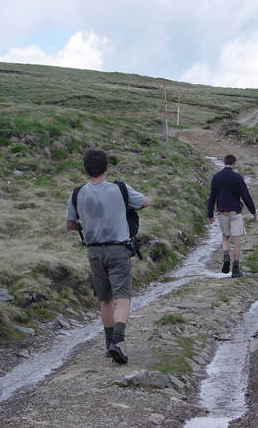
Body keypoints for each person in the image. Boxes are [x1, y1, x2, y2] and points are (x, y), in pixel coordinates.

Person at [65, 148, 150, 364]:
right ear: (107, 167)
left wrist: (89, 224)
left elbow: (70, 225)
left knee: (105, 299)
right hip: (118, 249)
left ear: (86, 169)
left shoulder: (77, 193)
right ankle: (118, 342)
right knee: (123, 297)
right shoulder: (119, 189)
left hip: (93, 251)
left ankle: (108, 344)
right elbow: (144, 202)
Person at [207, 154, 257, 277]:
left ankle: (225, 255)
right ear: (234, 163)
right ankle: (235, 269)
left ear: (224, 162)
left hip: (222, 211)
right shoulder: (237, 177)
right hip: (235, 212)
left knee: (225, 237)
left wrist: (210, 214)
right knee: (237, 240)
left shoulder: (216, 177)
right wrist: (253, 211)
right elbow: (246, 196)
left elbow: (212, 196)